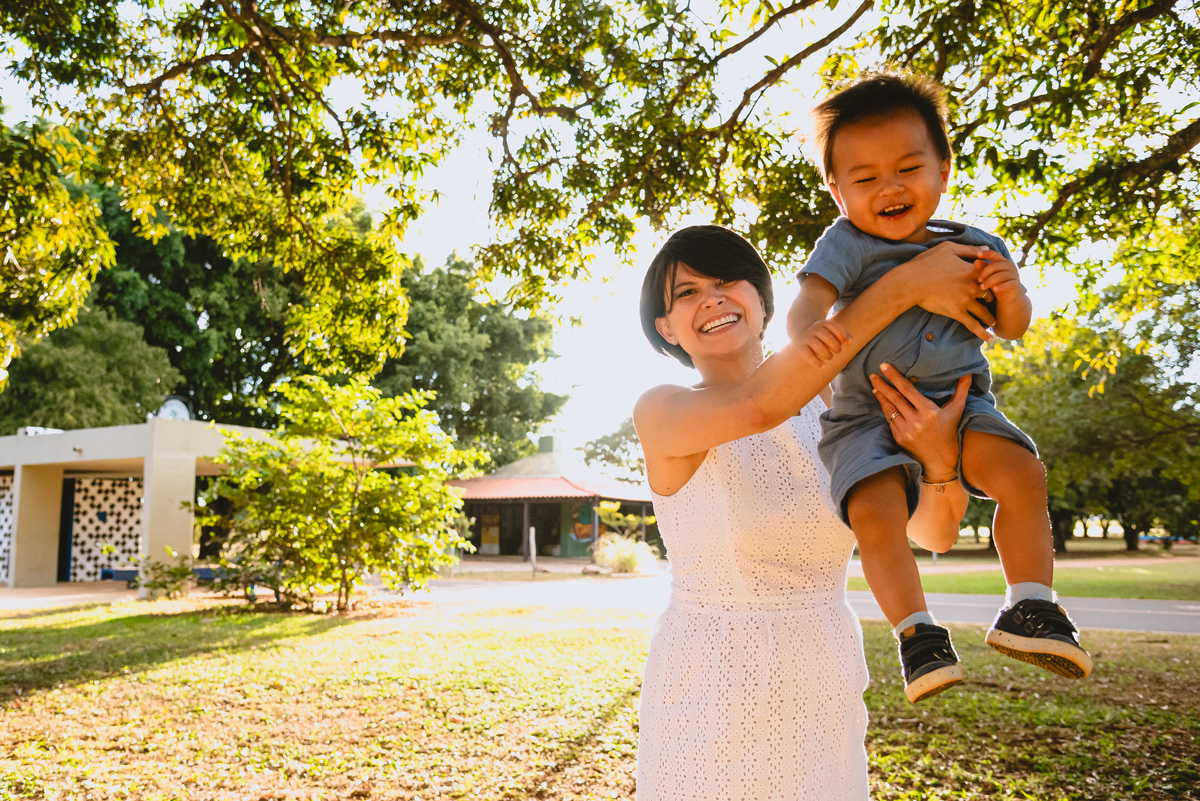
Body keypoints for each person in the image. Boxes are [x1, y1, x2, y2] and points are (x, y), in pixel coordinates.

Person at [633, 224, 989, 799]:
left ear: (763, 299)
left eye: (728, 281)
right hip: (711, 677)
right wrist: (904, 287)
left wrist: (940, 465)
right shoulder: (662, 409)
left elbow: (930, 531)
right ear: (666, 328)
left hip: (822, 672)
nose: (713, 299)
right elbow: (756, 409)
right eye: (687, 293)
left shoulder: (841, 405)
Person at [786, 72, 1092, 704]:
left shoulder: (975, 245)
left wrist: (1013, 293)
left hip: (964, 403)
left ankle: (1031, 606)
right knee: (875, 513)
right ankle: (917, 634)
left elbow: (1010, 327)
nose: (890, 188)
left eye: (907, 168)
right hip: (866, 416)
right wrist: (808, 337)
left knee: (1023, 475)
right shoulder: (847, 244)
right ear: (838, 193)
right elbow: (806, 303)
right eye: (865, 179)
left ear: (944, 169)